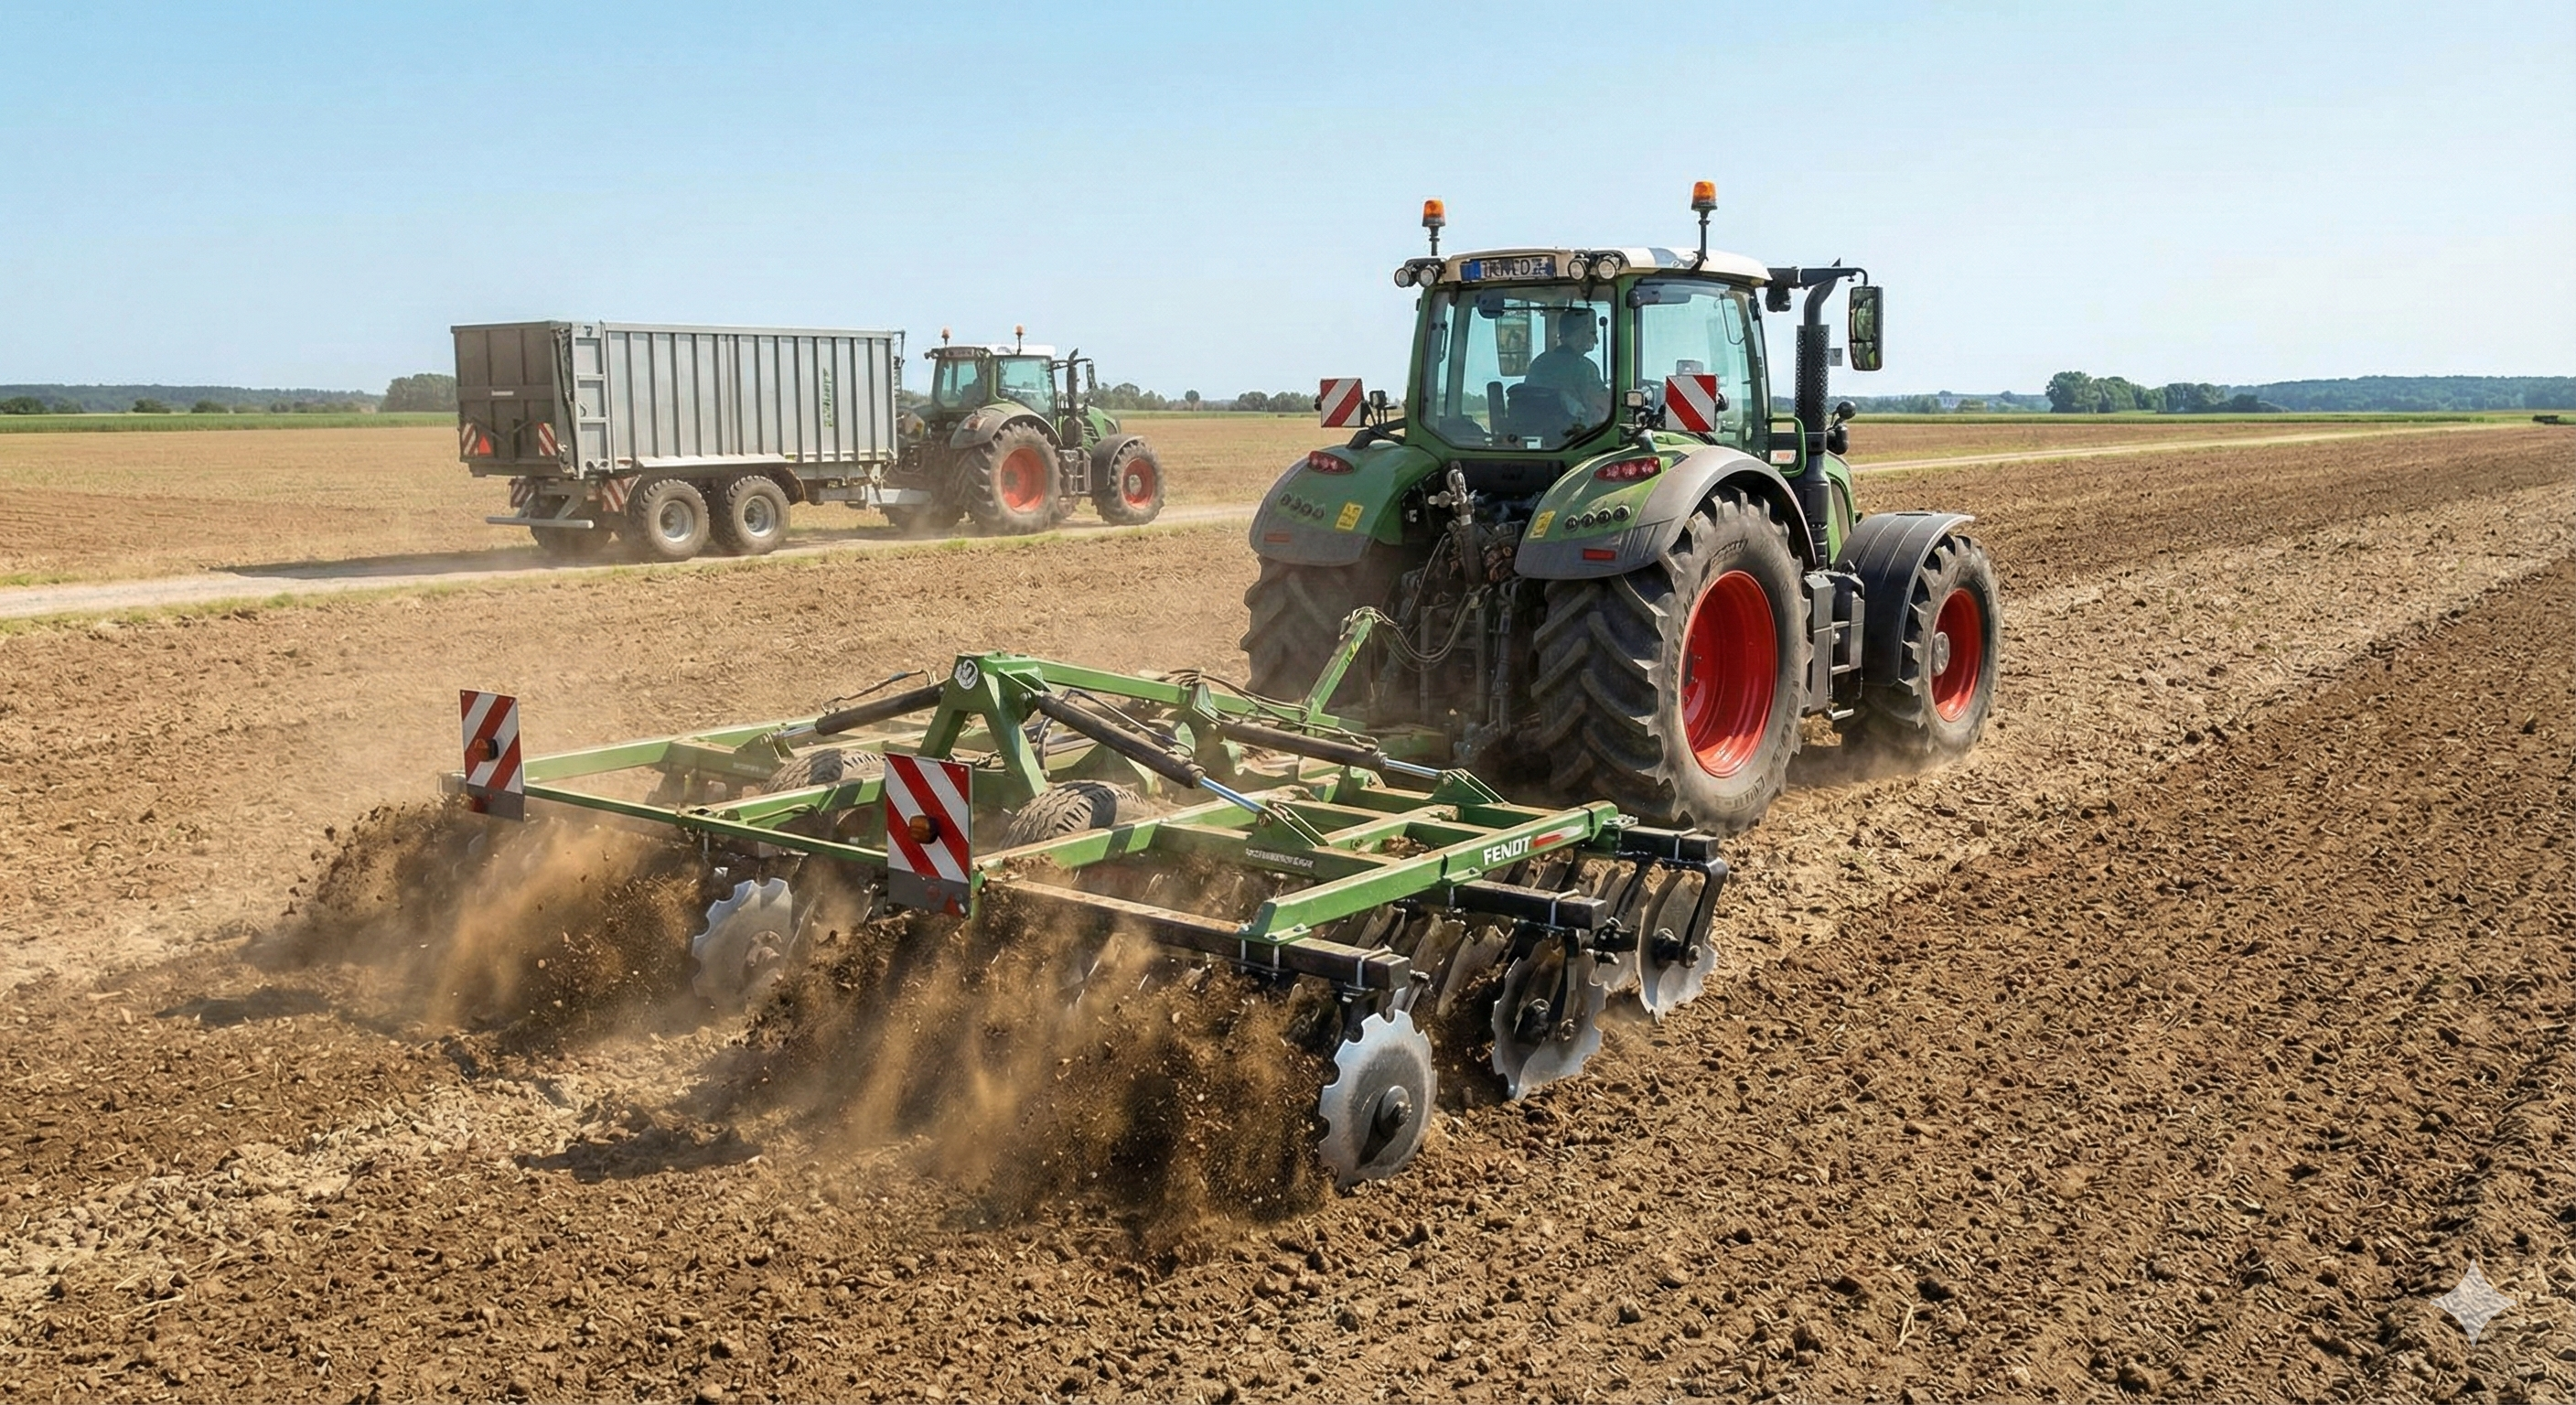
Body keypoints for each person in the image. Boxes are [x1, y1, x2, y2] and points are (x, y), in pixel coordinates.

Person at [1522, 308, 1608, 424]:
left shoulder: (1539, 362)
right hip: (1579, 434)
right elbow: (1601, 405)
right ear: (1582, 334)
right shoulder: (1584, 367)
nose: (1595, 340)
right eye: (1593, 333)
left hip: (1538, 429)